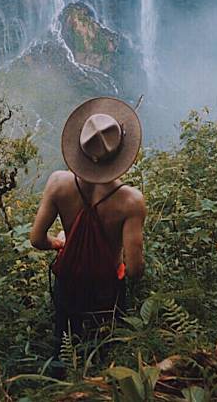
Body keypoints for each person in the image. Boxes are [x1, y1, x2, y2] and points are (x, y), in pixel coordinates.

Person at [30, 96, 147, 362]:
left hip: (68, 282)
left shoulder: (58, 183)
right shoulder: (130, 201)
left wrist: (60, 242)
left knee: (64, 345)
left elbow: (36, 239)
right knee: (105, 351)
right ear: (122, 152)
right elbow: (135, 270)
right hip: (106, 288)